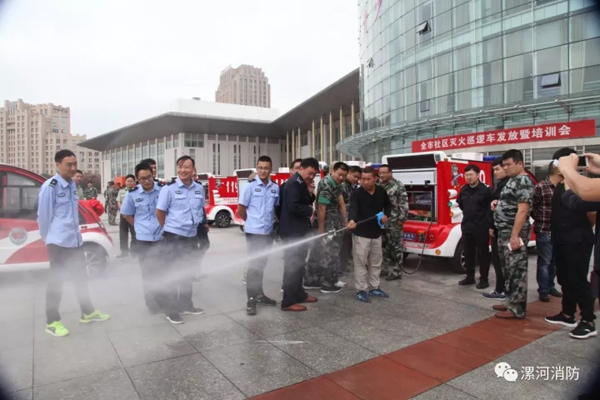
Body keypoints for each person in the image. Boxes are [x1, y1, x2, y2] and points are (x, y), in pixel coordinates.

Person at [37, 149, 109, 337]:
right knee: (56, 283)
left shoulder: (71, 185)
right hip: (58, 243)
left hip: (75, 241)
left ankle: (87, 312)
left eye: (75, 164)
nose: (73, 168)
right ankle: (52, 322)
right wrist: (49, 238)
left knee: (81, 278)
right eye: (69, 164)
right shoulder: (50, 187)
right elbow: (43, 217)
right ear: (57, 165)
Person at [545, 148, 598, 339]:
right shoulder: (561, 184)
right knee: (565, 278)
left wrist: (579, 229)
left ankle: (588, 320)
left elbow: (591, 214)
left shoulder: (581, 185)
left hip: (578, 239)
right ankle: (567, 314)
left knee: (578, 280)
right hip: (561, 238)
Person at [156, 155, 205, 324]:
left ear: (193, 170)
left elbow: (199, 211)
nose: (183, 170)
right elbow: (160, 212)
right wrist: (169, 229)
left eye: (186, 167)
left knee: (188, 272)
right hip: (174, 237)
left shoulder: (199, 188)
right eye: (180, 167)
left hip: (191, 236)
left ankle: (186, 304)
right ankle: (170, 310)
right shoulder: (168, 189)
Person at [491, 149, 534, 319]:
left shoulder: (523, 181)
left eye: (509, 165)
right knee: (508, 269)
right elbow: (511, 203)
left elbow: (523, 211)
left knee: (517, 270)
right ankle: (510, 301)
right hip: (504, 231)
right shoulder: (512, 181)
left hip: (513, 232)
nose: (506, 168)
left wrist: (515, 236)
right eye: (504, 165)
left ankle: (517, 308)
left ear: (520, 164)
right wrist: (497, 203)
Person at [239, 156, 280, 316]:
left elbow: (276, 209)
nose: (263, 171)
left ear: (271, 170)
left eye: (266, 168)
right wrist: (250, 222)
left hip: (268, 233)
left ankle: (260, 294)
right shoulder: (249, 187)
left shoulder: (275, 188)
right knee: (253, 267)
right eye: (260, 167)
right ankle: (251, 300)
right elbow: (241, 208)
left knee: (261, 265)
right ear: (257, 168)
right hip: (253, 233)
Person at [120, 163, 163, 314]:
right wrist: (139, 226)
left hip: (161, 237)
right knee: (148, 271)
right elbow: (127, 214)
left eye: (149, 177)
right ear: (138, 179)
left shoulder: (163, 190)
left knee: (161, 270)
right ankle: (151, 303)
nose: (146, 181)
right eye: (142, 178)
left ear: (153, 175)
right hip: (143, 239)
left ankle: (162, 299)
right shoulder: (132, 194)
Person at [279, 157, 320, 311]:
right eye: (309, 173)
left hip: (300, 232)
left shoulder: (301, 183)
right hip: (292, 233)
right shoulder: (294, 183)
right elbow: (294, 206)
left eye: (314, 175)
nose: (311, 177)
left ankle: (299, 293)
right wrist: (310, 210)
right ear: (301, 168)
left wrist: (311, 194)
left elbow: (305, 200)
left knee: (299, 265)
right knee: (292, 267)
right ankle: (288, 301)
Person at [347, 167, 392, 303]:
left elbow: (388, 205)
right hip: (361, 234)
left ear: (375, 179)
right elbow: (353, 208)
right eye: (363, 179)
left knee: (376, 262)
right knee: (360, 263)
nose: (365, 182)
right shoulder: (357, 193)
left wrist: (386, 216)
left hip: (376, 233)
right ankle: (361, 289)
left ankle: (374, 287)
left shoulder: (381, 191)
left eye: (368, 179)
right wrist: (352, 220)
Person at [304, 162, 349, 293]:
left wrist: (345, 223)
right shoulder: (326, 184)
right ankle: (328, 283)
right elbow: (321, 209)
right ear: (332, 171)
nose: (341, 178)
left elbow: (341, 203)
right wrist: (321, 231)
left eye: (344, 176)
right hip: (326, 224)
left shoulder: (338, 185)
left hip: (334, 223)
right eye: (339, 175)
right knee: (331, 253)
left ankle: (311, 281)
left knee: (317, 252)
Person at [531, 163, 562, 302]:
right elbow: (532, 207)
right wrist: (539, 220)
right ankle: (543, 289)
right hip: (544, 230)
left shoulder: (563, 187)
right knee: (545, 261)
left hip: (560, 231)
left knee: (555, 261)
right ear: (556, 169)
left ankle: (551, 286)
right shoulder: (541, 187)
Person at [457, 164, 492, 288]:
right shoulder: (464, 190)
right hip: (467, 226)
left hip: (481, 227)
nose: (469, 177)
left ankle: (484, 279)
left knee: (483, 254)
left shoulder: (486, 190)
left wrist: (489, 225)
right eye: (466, 175)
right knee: (468, 253)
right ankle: (469, 277)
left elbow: (490, 209)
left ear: (478, 175)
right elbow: (461, 204)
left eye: (471, 174)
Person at [483, 158, 508, 300]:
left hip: (501, 229)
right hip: (497, 228)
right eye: (494, 170)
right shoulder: (501, 185)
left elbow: (498, 210)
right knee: (498, 260)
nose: (496, 172)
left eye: (498, 169)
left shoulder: (507, 186)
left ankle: (502, 290)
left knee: (500, 261)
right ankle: (500, 289)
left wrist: (492, 226)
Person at [378, 164, 409, 281]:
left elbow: (404, 205)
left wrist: (401, 219)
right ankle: (384, 269)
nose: (381, 175)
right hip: (382, 223)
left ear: (391, 173)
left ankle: (397, 271)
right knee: (383, 247)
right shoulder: (378, 186)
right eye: (380, 173)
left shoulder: (398, 186)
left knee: (396, 247)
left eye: (384, 172)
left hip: (394, 222)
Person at [339, 166, 362, 272]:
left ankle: (344, 265)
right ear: (349, 173)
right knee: (342, 245)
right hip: (343, 220)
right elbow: (342, 205)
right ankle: (341, 267)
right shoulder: (342, 186)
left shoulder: (352, 187)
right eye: (355, 176)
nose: (356, 179)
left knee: (347, 245)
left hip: (350, 220)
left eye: (358, 178)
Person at [117, 174, 137, 257]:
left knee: (134, 234)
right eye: (128, 181)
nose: (129, 183)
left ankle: (134, 251)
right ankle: (124, 252)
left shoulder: (137, 191)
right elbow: (118, 201)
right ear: (125, 182)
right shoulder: (121, 191)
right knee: (123, 234)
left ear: (134, 182)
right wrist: (123, 211)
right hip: (123, 216)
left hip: (133, 215)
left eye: (131, 181)